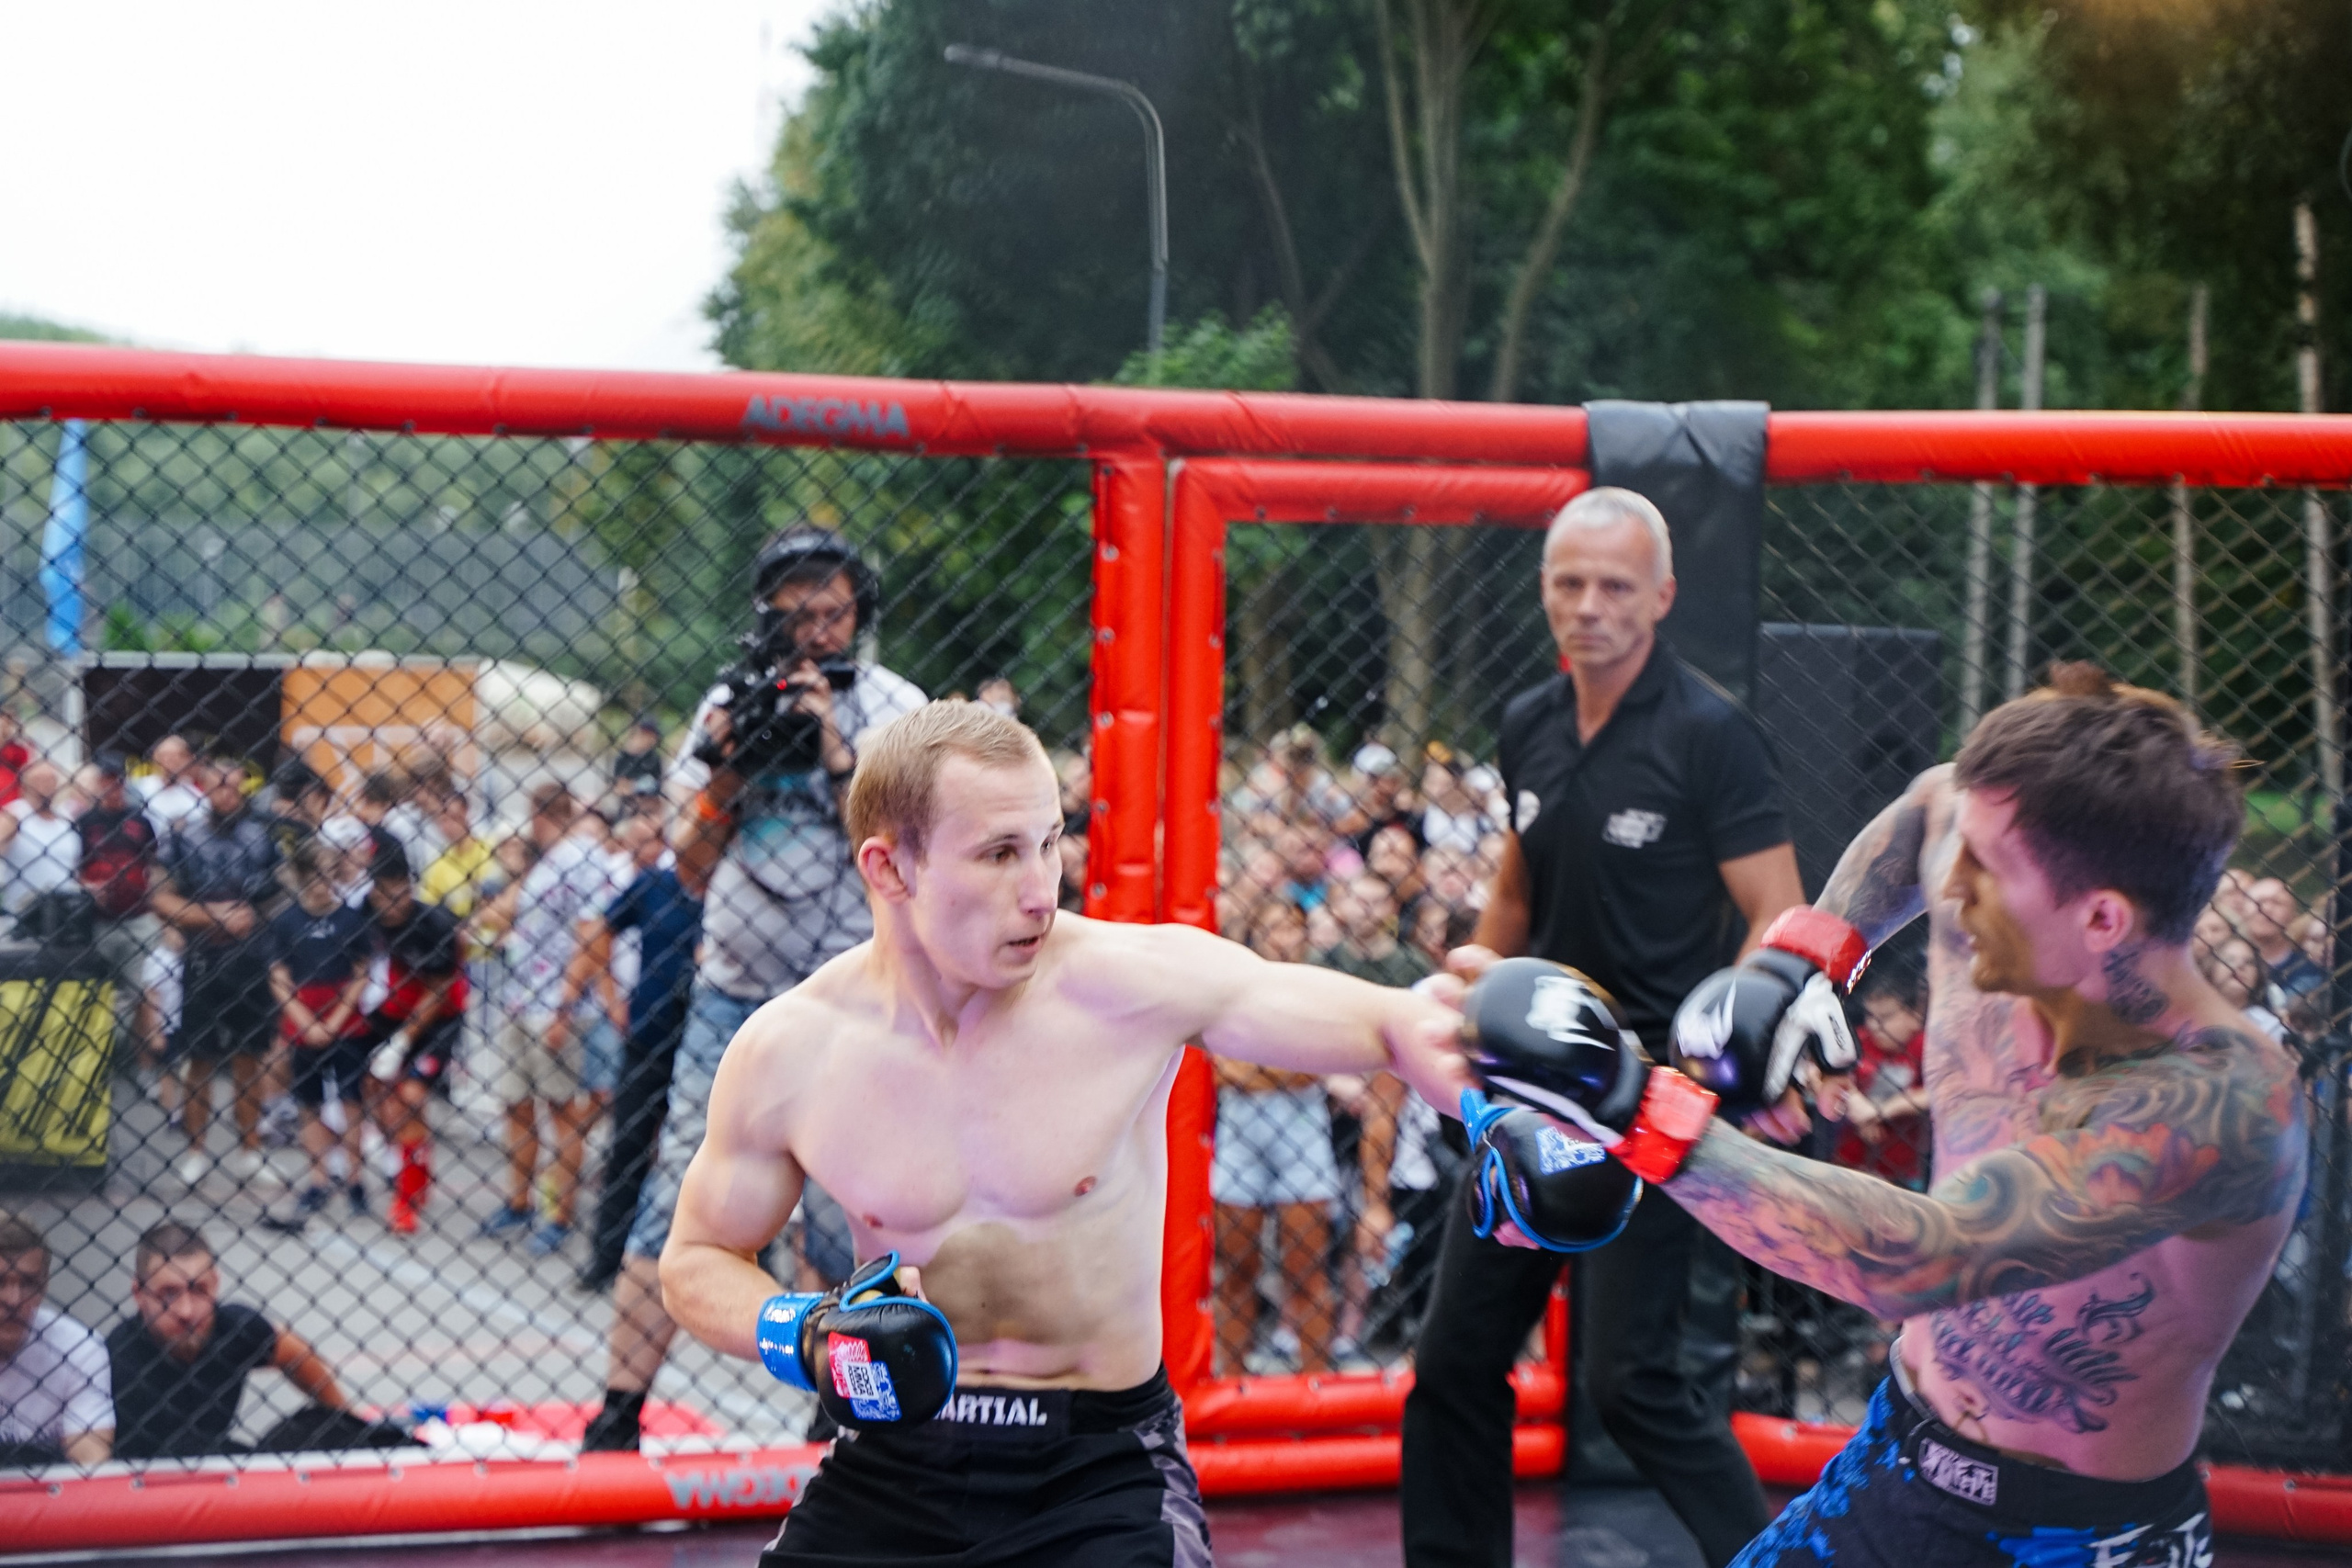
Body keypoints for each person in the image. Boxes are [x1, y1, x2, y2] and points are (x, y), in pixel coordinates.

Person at [1460, 662, 2309, 1568]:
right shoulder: (2001, 888)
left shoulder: (2219, 1106)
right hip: (1894, 1463)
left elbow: (1927, 1257)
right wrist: (1802, 961)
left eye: (1985, 872)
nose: (1954, 885)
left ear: (2102, 919)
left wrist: (1632, 1112)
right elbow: (1927, 806)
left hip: (2076, 1537)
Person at [655, 699, 1472, 1564]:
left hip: (1098, 1470)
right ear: (890, 868)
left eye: (1050, 842)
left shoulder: (1128, 986)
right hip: (896, 1461)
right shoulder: (793, 1048)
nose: (1043, 889)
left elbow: (1377, 1022)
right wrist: (810, 1330)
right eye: (1001, 853)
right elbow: (696, 1260)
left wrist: (1472, 1047)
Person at [1401, 487, 1803, 1568]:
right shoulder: (1531, 718)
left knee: (1634, 1384)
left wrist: (1721, 1055)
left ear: (1661, 596)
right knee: (1453, 1360)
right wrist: (1472, 984)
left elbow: (1776, 912)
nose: (1588, 607)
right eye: (1567, 584)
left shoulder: (1711, 734)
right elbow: (1518, 888)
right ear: (1543, 591)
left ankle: (1779, 1563)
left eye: (1614, 586)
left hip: (1650, 1094)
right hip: (1529, 1083)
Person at [579, 525, 924, 1453]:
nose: (816, 628)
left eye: (833, 609)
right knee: (677, 1194)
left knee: (847, 1209)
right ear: (768, 615)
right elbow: (688, 871)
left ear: (858, 613)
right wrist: (728, 773)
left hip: (854, 1000)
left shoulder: (894, 708)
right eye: (797, 611)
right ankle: (616, 1417)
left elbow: (907, 872)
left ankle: (842, 1405)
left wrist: (834, 748)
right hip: (733, 996)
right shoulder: (728, 701)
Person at [561, 806, 703, 1292]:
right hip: (649, 1033)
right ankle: (606, 1259)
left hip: (711, 1042)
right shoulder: (655, 885)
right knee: (629, 1145)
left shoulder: (727, 887)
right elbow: (599, 929)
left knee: (719, 1150)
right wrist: (609, 996)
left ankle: (732, 1267)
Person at [480, 786, 620, 1255]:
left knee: (562, 1112)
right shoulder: (547, 861)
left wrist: (564, 1006)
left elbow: (590, 933)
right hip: (521, 999)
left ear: (540, 814)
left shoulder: (580, 858)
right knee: (516, 1104)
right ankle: (518, 1201)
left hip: (557, 1005)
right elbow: (500, 920)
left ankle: (557, 1214)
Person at [1214, 898, 1344, 1376]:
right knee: (1235, 1273)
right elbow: (1223, 1071)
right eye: (1273, 925)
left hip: (1301, 1135)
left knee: (1307, 1273)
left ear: (1305, 938)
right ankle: (1230, 1385)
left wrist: (1258, 1067)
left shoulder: (1318, 990)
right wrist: (1284, 1061)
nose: (1283, 936)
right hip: (1241, 1134)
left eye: (1291, 927)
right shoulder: (1230, 987)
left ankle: (1316, 1390)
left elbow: (1315, 1067)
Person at [106, 1222, 350, 1459]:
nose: (187, 1311)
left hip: (217, 1472)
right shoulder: (115, 1362)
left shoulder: (233, 1327)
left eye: (199, 1289)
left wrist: (343, 1416)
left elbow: (294, 1352)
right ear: (139, 1294)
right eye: (168, 1294)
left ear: (215, 1284)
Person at [151, 753, 282, 1184]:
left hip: (251, 960)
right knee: (200, 1060)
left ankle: (251, 1150)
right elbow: (161, 898)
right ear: (203, 786)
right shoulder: (184, 838)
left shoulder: (263, 837)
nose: (228, 792)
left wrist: (258, 916)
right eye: (219, 784)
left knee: (250, 1059)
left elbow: (283, 895)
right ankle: (195, 1152)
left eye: (234, 785)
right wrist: (213, 917)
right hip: (203, 960)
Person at [261, 847, 375, 1225]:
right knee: (309, 1103)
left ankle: (355, 1180)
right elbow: (279, 977)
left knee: (351, 1101)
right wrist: (305, 1022)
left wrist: (336, 1019)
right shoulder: (286, 921)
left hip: (344, 1017)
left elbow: (361, 973)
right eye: (314, 876)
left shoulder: (351, 920)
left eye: (328, 876)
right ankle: (318, 1179)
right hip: (303, 1014)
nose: (321, 884)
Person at [358, 844, 468, 1235]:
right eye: (384, 893)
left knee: (410, 1096)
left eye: (400, 892)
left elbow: (438, 992)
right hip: (388, 1016)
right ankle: (416, 1170)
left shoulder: (434, 924)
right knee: (386, 1100)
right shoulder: (364, 919)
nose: (392, 903)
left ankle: (404, 1203)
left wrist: (403, 1042)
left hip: (439, 1019)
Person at [0, 1213, 110, 1465]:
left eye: (28, 1283)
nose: (13, 1299)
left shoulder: (78, 1348)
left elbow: (91, 1467)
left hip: (46, 1501)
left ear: (45, 1286)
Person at [0, 760, 79, 919]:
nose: (45, 786)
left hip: (64, 917)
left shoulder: (66, 820)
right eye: (39, 780)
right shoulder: (14, 815)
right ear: (24, 784)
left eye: (50, 780)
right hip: (22, 917)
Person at [139, 734, 206, 839]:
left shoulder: (196, 796)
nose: (169, 761)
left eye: (176, 757)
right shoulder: (140, 787)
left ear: (186, 760)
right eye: (164, 756)